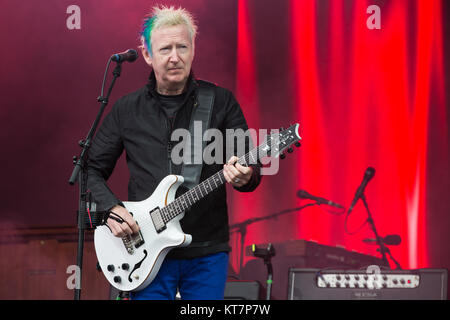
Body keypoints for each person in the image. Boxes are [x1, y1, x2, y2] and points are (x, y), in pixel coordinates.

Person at [87, 5, 262, 300]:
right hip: (144, 251)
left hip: (206, 252)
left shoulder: (219, 101)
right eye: (165, 48)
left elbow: (249, 167)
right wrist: (112, 209)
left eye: (182, 46)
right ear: (147, 55)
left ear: (193, 50)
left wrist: (245, 175)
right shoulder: (126, 109)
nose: (174, 57)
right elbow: (90, 169)